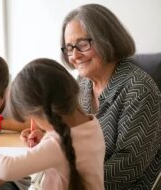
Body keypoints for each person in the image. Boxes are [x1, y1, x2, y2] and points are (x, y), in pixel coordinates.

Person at [0, 58, 105, 190]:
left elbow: (8, 168)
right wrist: (44, 139)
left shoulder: (57, 145)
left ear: (43, 112)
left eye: (32, 118)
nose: (32, 123)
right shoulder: (91, 124)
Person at [60, 3, 161, 190]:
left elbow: (129, 166)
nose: (74, 55)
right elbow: (69, 132)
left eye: (82, 44)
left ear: (106, 39)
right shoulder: (81, 83)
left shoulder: (138, 89)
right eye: (68, 47)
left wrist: (73, 178)